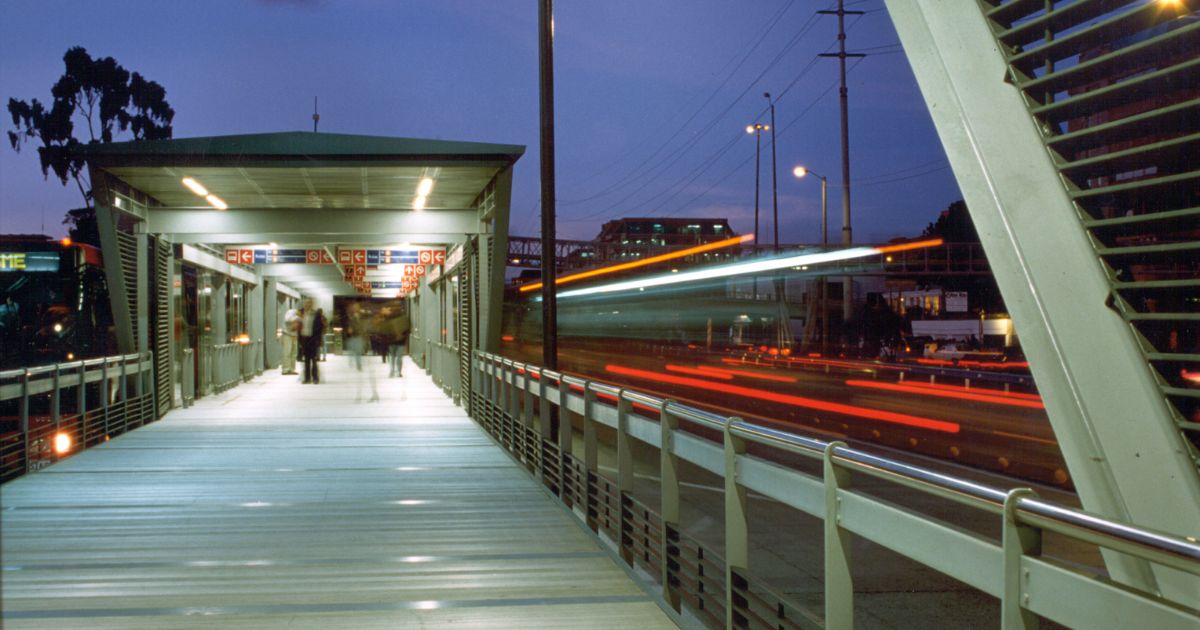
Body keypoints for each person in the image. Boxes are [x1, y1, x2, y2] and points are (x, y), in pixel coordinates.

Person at [346, 302, 378, 402]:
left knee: (368, 372)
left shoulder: (365, 317)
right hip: (358, 347)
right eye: (353, 307)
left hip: (365, 346)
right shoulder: (352, 319)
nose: (354, 309)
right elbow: (350, 332)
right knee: (361, 372)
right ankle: (362, 395)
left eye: (356, 307)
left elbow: (369, 327)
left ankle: (372, 394)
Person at [298, 299, 323, 384]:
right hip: (304, 339)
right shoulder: (300, 313)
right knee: (306, 360)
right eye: (306, 303)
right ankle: (307, 378)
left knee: (314, 359)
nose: (307, 305)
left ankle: (315, 378)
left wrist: (318, 340)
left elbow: (319, 328)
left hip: (313, 339)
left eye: (309, 303)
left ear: (312, 304)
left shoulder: (316, 314)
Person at [387, 303, 411, 378]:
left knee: (395, 357)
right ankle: (395, 371)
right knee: (395, 357)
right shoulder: (391, 318)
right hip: (395, 341)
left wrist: (402, 336)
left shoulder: (402, 318)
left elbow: (408, 328)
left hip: (398, 341)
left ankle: (395, 372)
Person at [281, 305, 299, 375]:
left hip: (294, 336)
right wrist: (298, 318)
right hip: (287, 335)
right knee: (287, 352)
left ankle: (292, 369)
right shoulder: (291, 312)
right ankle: (285, 369)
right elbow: (287, 319)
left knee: (294, 353)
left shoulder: (299, 316)